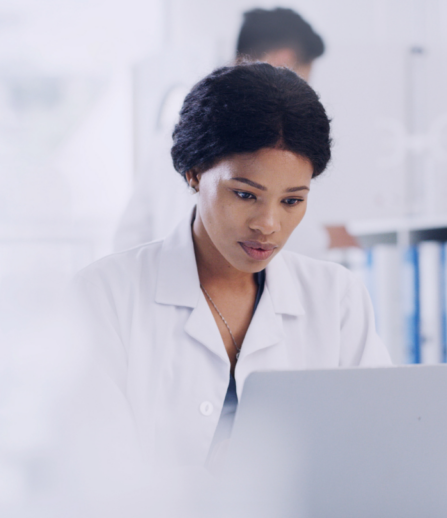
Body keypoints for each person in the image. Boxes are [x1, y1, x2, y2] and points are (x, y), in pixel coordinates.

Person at [75, 63, 391, 469]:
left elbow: (376, 449)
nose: (268, 224)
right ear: (194, 173)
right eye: (245, 195)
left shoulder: (335, 297)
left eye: (292, 201)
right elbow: (94, 477)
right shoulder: (104, 296)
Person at [113, 7, 326, 252]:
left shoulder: (177, 130)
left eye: (291, 200)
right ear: (284, 62)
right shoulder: (261, 136)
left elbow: (129, 237)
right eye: (303, 82)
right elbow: (300, 244)